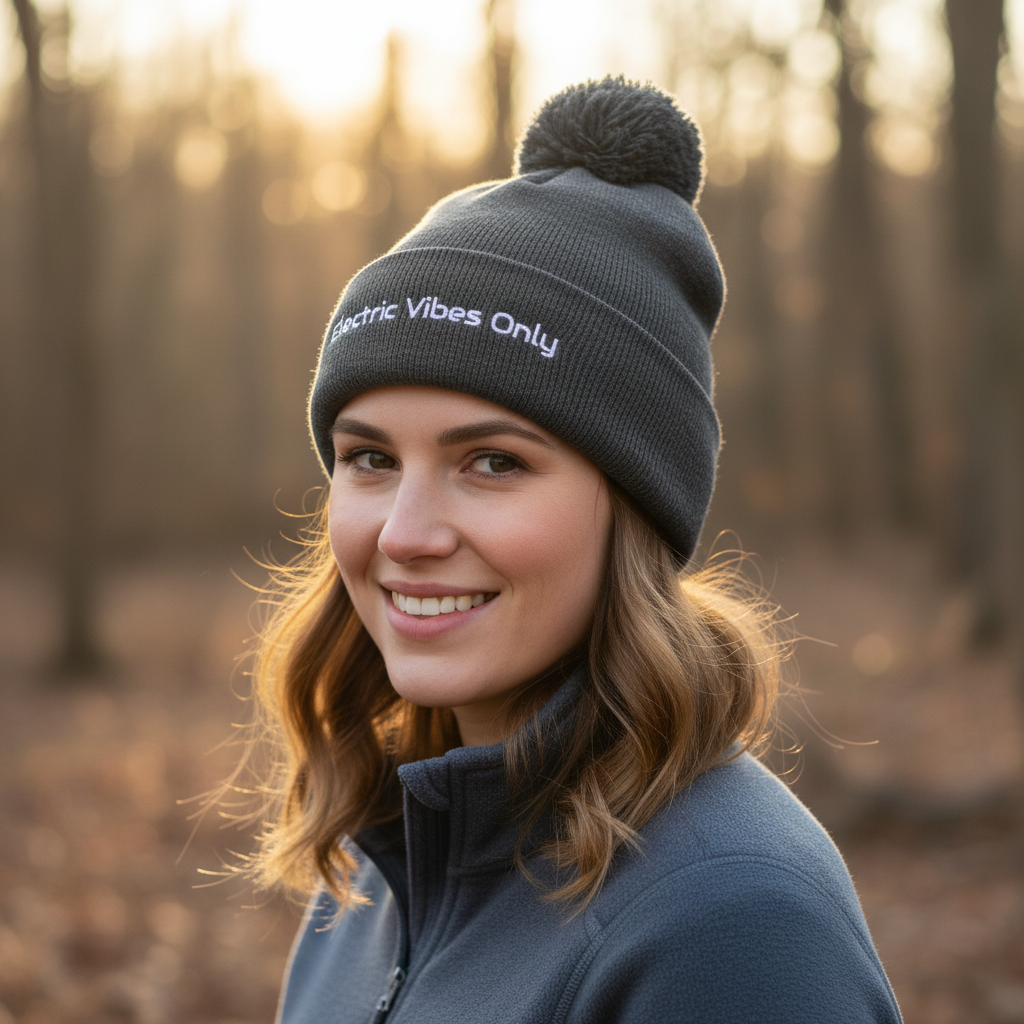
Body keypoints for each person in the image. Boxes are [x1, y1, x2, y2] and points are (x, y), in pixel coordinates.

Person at [244, 78, 903, 1023]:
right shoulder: (374, 863)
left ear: (635, 504)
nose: (405, 534)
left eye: (494, 462)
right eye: (371, 459)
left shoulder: (731, 923)